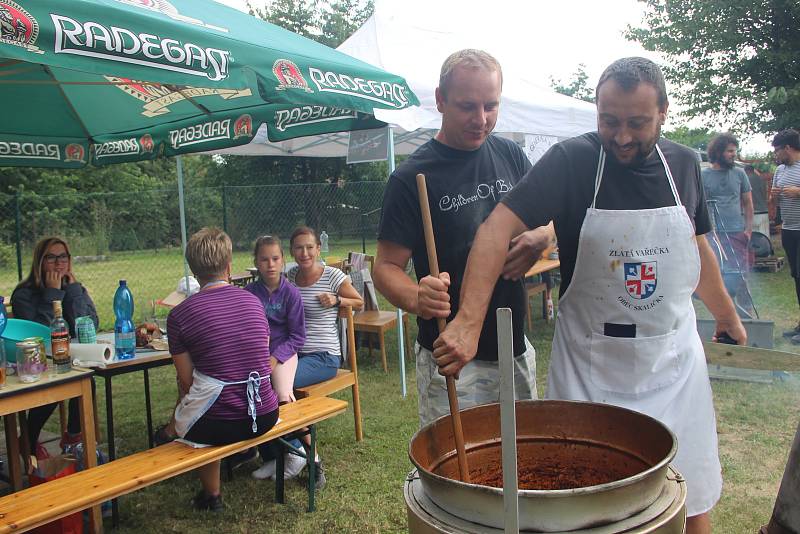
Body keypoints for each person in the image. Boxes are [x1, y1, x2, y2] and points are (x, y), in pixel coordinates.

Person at [435, 57, 746, 534]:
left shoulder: (683, 163)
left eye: (636, 123)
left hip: (674, 364)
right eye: (609, 121)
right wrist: (469, 321)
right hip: (591, 371)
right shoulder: (572, 161)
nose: (621, 136)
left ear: (663, 112)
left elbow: (696, 247)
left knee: (693, 497)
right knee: (582, 507)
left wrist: (727, 314)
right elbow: (496, 228)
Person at [372, 49, 547, 427]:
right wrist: (416, 296)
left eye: (491, 106)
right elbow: (385, 267)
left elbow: (548, 220)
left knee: (524, 466)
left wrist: (541, 238)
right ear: (439, 100)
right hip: (451, 357)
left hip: (513, 346)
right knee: (458, 476)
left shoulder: (511, 155)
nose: (481, 119)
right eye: (468, 106)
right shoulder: (411, 177)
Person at [153, 228, 279, 511]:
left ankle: (212, 495)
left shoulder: (179, 315)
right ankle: (237, 457)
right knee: (213, 400)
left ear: (193, 272)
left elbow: (186, 383)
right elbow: (259, 356)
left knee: (202, 407)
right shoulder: (254, 302)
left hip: (216, 423)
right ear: (229, 266)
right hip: (266, 412)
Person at [284, 226, 363, 480]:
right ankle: (283, 454)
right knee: (268, 382)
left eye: (310, 247)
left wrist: (337, 300)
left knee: (282, 386)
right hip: (295, 354)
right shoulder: (290, 275)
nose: (305, 252)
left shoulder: (332, 275)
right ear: (292, 251)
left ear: (318, 249)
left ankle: (305, 456)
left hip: (324, 356)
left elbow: (359, 301)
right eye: (299, 247)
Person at [12, 237, 99, 459]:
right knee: (56, 382)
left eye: (63, 257)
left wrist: (73, 292)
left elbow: (89, 325)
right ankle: (28, 441)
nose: (59, 263)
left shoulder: (73, 288)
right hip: (34, 363)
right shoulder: (23, 294)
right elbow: (39, 335)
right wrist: (52, 294)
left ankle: (73, 436)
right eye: (51, 257)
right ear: (40, 262)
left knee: (87, 379)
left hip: (68, 357)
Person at [244, 235, 305, 480]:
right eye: (264, 259)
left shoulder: (291, 293)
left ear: (283, 261)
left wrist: (275, 358)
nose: (270, 264)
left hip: (285, 353)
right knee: (252, 399)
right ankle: (271, 457)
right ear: (256, 263)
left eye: (275, 258)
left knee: (281, 396)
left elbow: (298, 337)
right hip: (257, 356)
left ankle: (299, 452)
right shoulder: (248, 294)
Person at [702, 134, 754, 305]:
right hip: (713, 235)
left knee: (741, 273)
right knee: (717, 274)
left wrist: (748, 230)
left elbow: (748, 203)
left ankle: (745, 314)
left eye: (735, 151)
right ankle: (723, 312)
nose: (734, 154)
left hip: (736, 231)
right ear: (718, 152)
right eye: (730, 151)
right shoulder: (704, 175)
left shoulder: (740, 174)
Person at [771, 130, 800, 343]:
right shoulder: (779, 170)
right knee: (796, 278)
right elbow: (777, 202)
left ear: (787, 148)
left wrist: (798, 192)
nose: (776, 155)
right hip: (789, 230)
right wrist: (774, 197)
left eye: (778, 150)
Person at [745, 164, 770, 237]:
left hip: (752, 213)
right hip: (764, 211)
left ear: (746, 171)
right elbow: (765, 194)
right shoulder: (762, 179)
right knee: (765, 237)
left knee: (753, 239)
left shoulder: (745, 180)